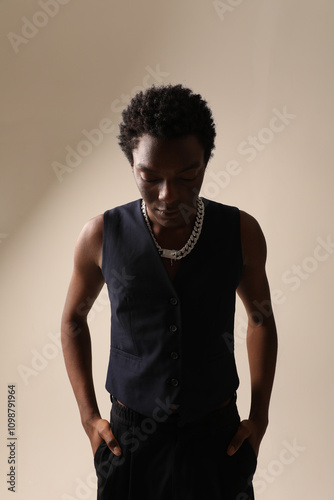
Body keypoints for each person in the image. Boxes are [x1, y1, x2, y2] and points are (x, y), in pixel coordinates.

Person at [61, 84, 278, 500]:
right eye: (150, 177)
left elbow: (260, 317)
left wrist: (260, 418)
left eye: (187, 176)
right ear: (132, 165)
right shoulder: (100, 235)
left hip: (217, 438)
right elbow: (73, 319)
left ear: (205, 162)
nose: (168, 194)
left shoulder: (240, 231)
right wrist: (90, 418)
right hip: (130, 442)